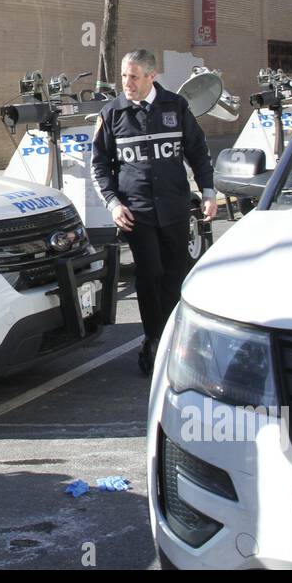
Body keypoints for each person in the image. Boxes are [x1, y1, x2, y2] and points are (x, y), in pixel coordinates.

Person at [91, 49, 216, 375]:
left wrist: (208, 192)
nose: (127, 83)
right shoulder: (112, 114)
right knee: (149, 275)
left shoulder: (176, 106)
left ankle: (177, 338)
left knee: (175, 275)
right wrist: (113, 203)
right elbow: (99, 165)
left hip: (174, 209)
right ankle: (154, 339)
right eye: (123, 76)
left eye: (133, 76)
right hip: (137, 214)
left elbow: (198, 151)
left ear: (151, 76)